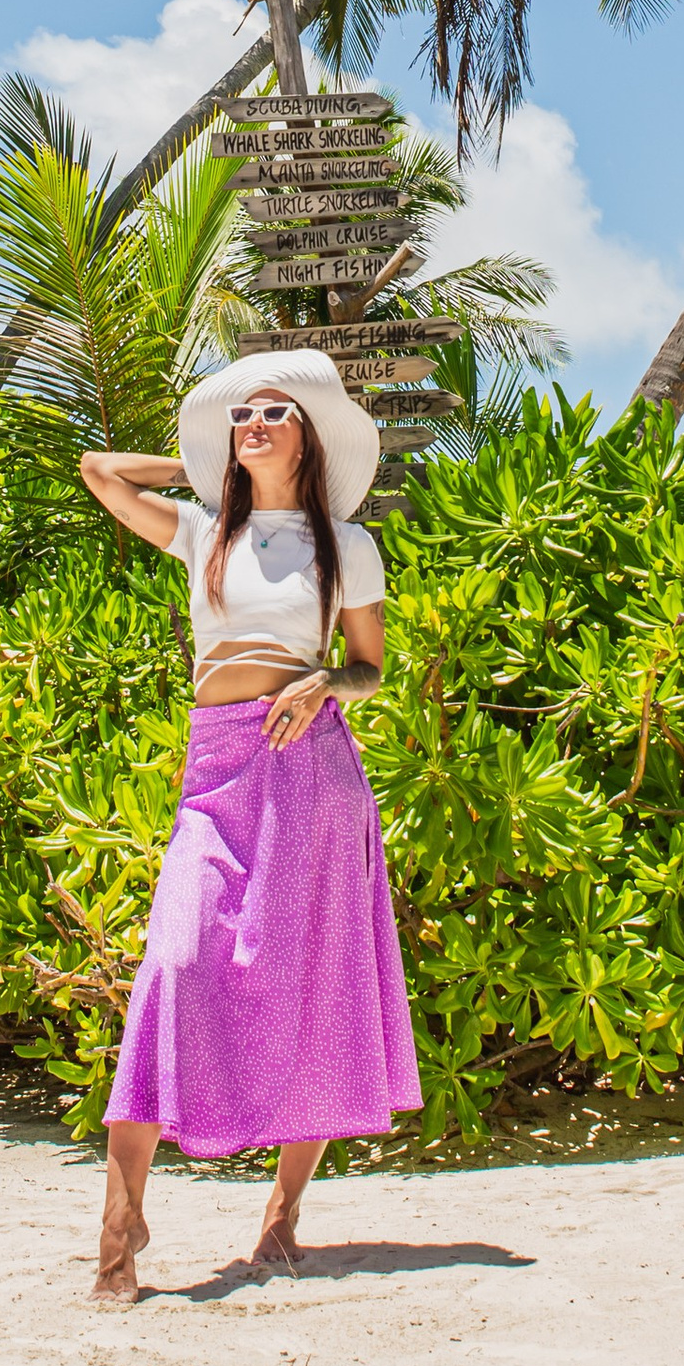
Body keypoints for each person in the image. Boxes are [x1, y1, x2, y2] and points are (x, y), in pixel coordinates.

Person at [77, 348, 422, 1302]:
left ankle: (282, 1218)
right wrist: (198, 467)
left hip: (309, 766)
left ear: (308, 434)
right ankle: (122, 1218)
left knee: (311, 980)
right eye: (241, 415)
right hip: (216, 767)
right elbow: (99, 473)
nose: (255, 424)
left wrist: (323, 680)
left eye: (275, 412)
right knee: (175, 961)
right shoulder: (203, 531)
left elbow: (368, 667)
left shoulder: (346, 545)